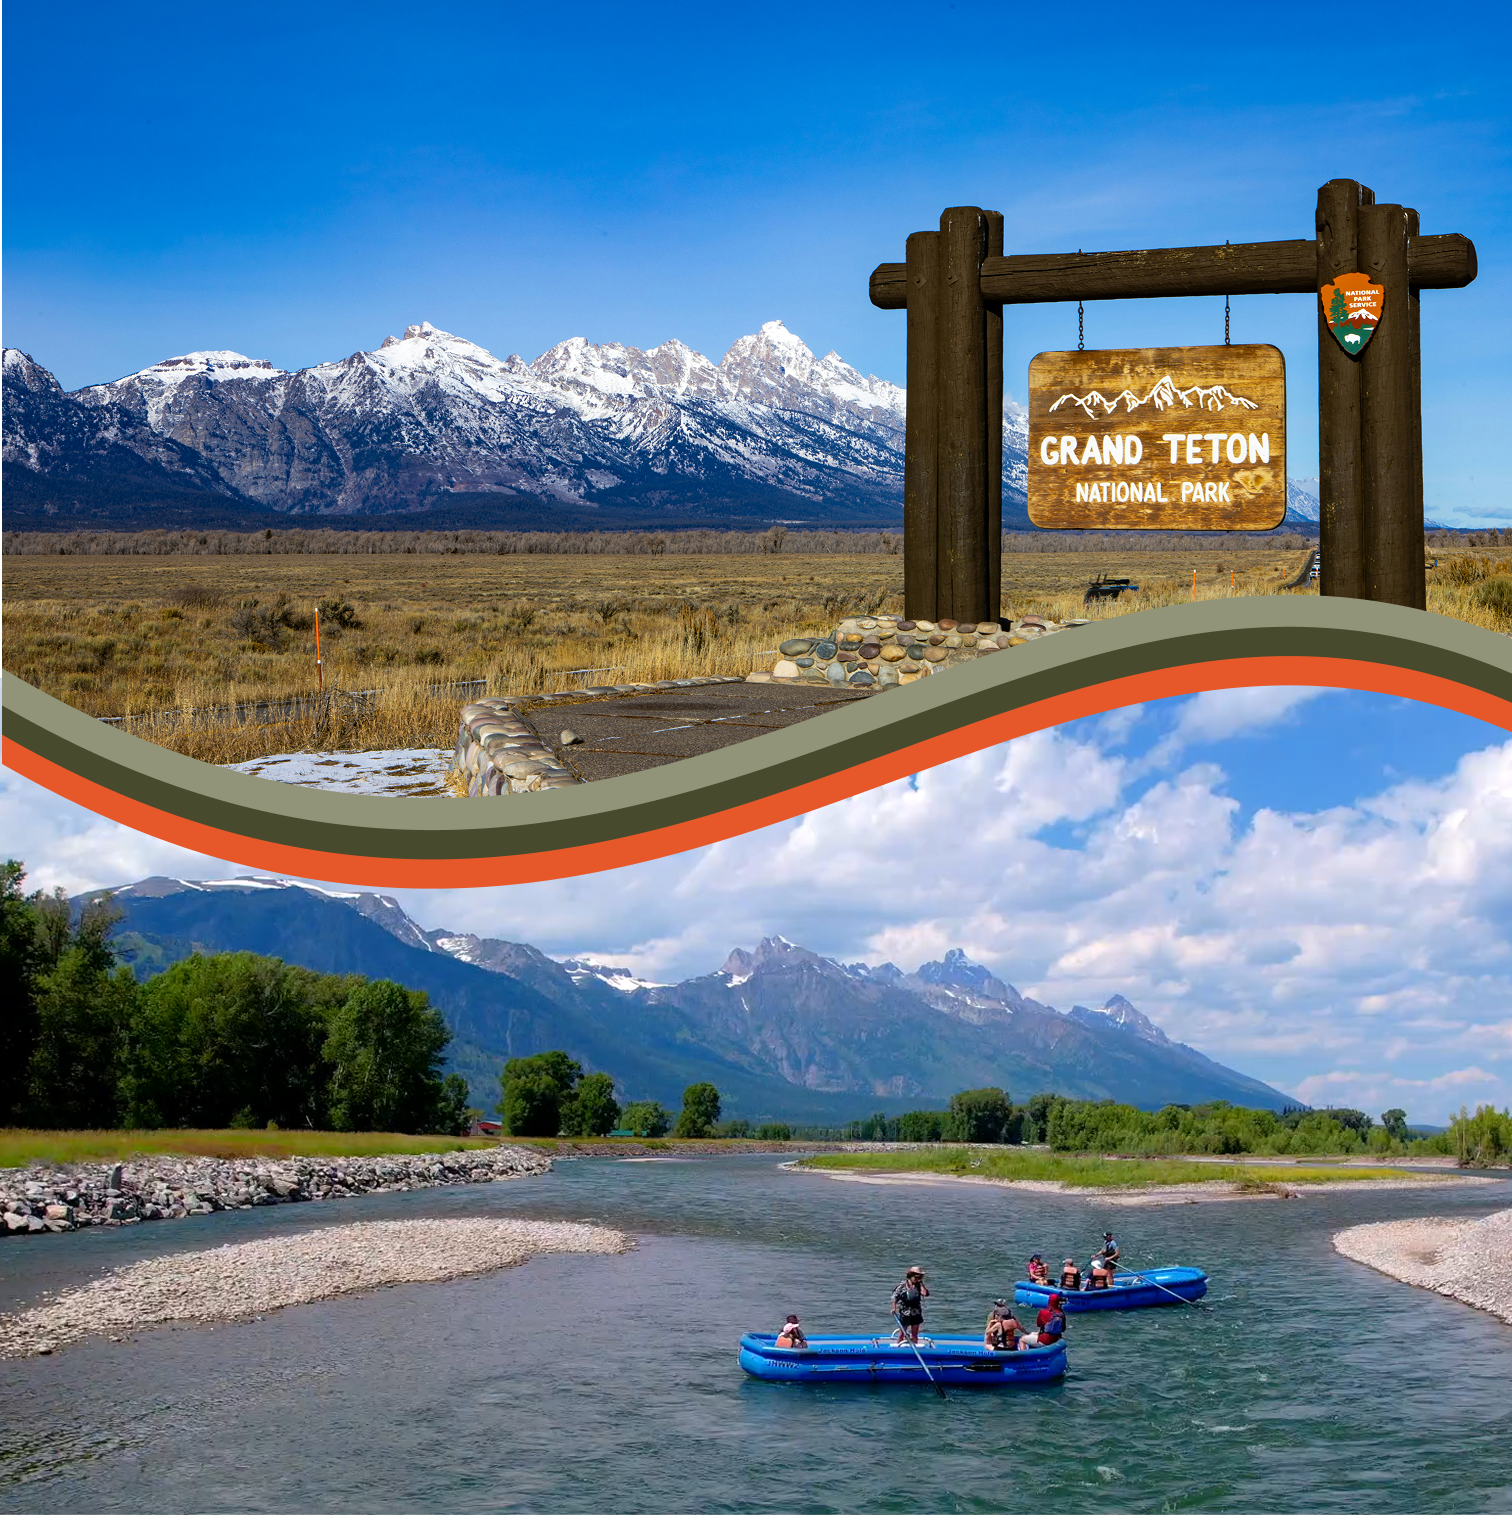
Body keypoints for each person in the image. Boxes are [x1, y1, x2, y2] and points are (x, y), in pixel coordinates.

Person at [891, 1266, 929, 1343]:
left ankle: (914, 1344)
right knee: (902, 1334)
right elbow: (894, 1297)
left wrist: (921, 1283)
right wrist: (893, 1308)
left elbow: (925, 1293)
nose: (916, 1279)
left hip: (916, 1312)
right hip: (905, 1313)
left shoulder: (919, 1285)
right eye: (915, 1277)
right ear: (910, 1276)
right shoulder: (903, 1285)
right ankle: (899, 1346)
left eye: (919, 1277)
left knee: (915, 1334)